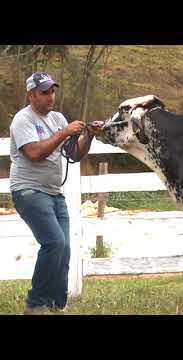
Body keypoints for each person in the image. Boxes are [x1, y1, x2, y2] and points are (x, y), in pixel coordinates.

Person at [9, 71, 95, 315]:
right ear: (31, 94)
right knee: (53, 242)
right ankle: (36, 304)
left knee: (64, 248)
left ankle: (57, 306)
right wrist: (63, 133)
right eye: (45, 92)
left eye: (52, 91)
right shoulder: (22, 120)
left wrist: (88, 135)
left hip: (53, 193)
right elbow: (34, 153)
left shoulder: (58, 118)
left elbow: (74, 154)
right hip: (28, 191)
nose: (50, 96)